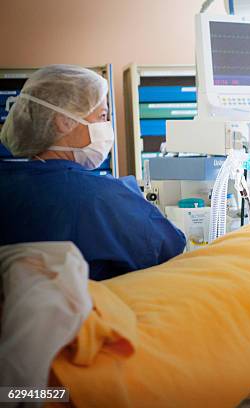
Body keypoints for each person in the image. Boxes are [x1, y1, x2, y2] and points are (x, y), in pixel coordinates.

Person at [0, 65, 186, 280]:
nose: (107, 126)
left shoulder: (8, 186)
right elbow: (169, 248)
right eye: (102, 116)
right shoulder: (100, 197)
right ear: (64, 122)